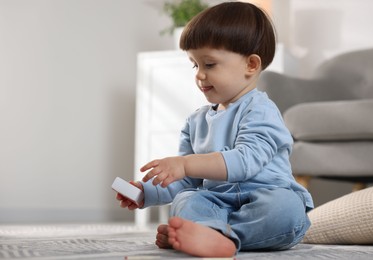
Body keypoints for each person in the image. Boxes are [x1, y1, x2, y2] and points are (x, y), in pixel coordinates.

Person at [116, 2, 313, 257]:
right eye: (194, 65)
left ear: (251, 65)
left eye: (209, 64)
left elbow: (245, 161)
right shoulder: (194, 122)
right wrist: (147, 192)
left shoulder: (261, 110)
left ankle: (220, 236)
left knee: (286, 209)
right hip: (218, 203)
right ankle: (208, 232)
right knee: (187, 200)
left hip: (266, 197)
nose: (199, 75)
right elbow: (187, 180)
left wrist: (185, 164)